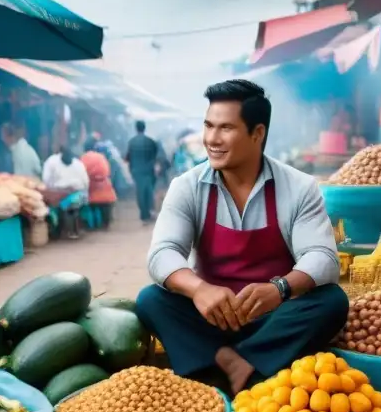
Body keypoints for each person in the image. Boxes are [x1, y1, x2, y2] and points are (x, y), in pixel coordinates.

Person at [136, 80, 348, 395]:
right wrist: (199, 289)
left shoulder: (299, 187)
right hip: (209, 318)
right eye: (208, 126)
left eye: (225, 128)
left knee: (332, 302)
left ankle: (220, 366)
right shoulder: (187, 186)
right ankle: (241, 365)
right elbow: (162, 254)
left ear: (257, 134)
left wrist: (280, 288)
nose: (212, 139)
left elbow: (323, 258)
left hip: (272, 319)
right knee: (151, 300)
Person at [42, 147, 89, 239]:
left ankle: (56, 231)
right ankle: (73, 230)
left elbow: (46, 180)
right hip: (77, 194)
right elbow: (86, 182)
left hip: (59, 194)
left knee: (55, 207)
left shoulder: (51, 161)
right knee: (73, 206)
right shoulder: (78, 163)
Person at [125, 120, 158, 224]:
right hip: (148, 170)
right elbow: (155, 155)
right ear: (144, 128)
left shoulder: (131, 142)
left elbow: (128, 157)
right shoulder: (150, 141)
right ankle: (149, 212)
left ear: (136, 128)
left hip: (136, 171)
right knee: (148, 191)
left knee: (140, 192)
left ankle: (143, 215)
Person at [81, 139, 116, 228]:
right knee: (106, 205)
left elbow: (82, 173)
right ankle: (106, 223)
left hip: (91, 187)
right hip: (105, 186)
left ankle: (94, 225)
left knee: (91, 207)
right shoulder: (101, 157)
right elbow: (107, 171)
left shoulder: (83, 158)